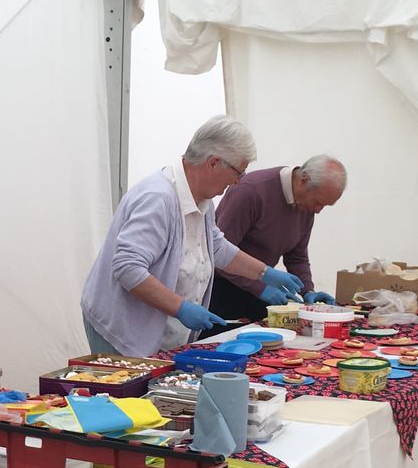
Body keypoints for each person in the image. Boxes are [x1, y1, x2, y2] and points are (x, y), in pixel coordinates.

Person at [80, 115, 304, 358]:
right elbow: (127, 268)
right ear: (214, 163)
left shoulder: (202, 199)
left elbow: (215, 247)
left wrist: (264, 273)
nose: (239, 181)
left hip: (160, 330)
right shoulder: (158, 198)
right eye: (239, 171)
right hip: (122, 330)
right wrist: (181, 307)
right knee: (124, 393)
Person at [208, 155, 347, 326]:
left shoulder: (305, 204)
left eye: (325, 206)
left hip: (258, 290)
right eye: (318, 202)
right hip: (221, 290)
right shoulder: (250, 191)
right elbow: (218, 254)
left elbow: (297, 257)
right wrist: (260, 287)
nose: (317, 211)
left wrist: (308, 291)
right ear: (304, 180)